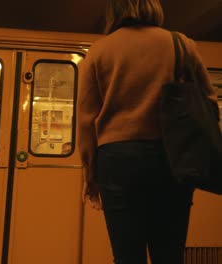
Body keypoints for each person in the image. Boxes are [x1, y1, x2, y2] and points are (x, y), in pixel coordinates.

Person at [76, 0, 219, 263]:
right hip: (171, 158)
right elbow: (209, 102)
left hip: (117, 162)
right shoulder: (181, 44)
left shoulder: (99, 52)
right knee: (169, 253)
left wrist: (91, 173)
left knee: (127, 255)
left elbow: (86, 121)